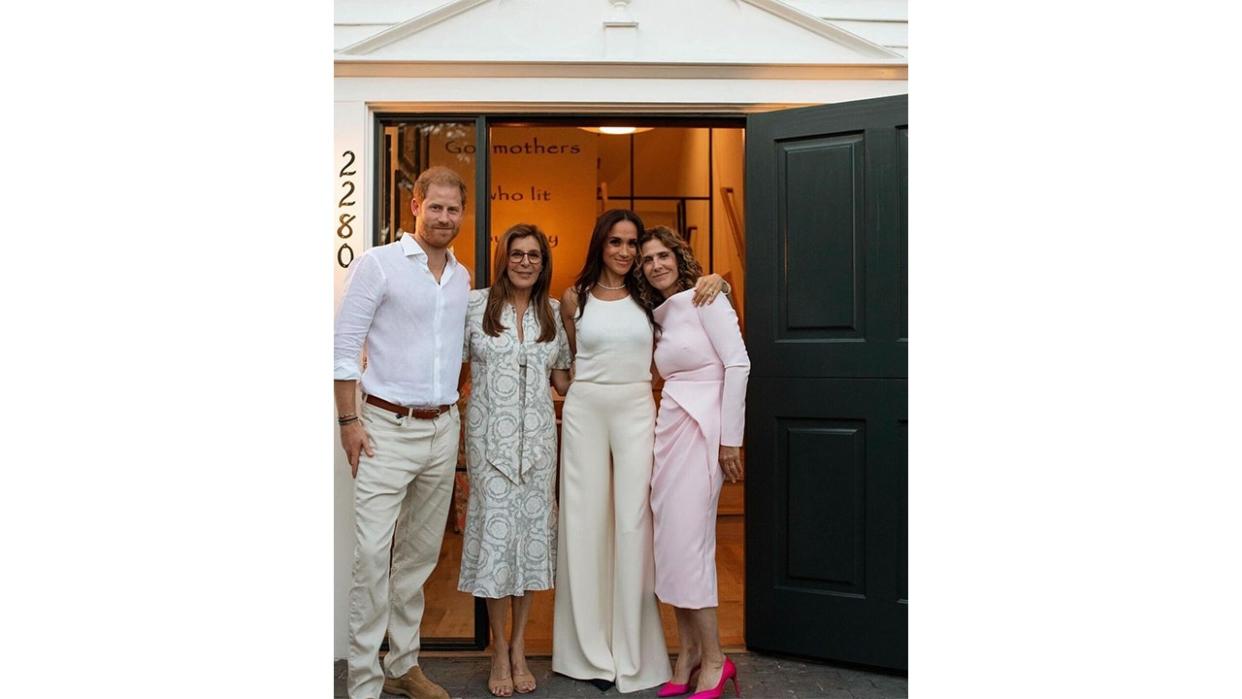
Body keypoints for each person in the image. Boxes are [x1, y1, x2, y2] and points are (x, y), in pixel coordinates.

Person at [552, 209, 727, 693]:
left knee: (634, 523)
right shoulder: (573, 298)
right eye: (616, 243)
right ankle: (586, 653)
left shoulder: (649, 297)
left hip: (635, 410)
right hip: (585, 409)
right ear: (600, 246)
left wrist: (718, 282)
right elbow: (565, 361)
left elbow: (693, 301)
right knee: (583, 524)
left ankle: (634, 650)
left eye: (633, 243)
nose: (627, 252)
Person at [334, 166, 470, 699]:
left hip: (442, 429)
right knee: (372, 559)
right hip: (384, 429)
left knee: (416, 559)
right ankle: (364, 684)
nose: (443, 217)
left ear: (463, 213)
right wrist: (349, 422)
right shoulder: (379, 264)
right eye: (434, 206)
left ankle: (403, 667)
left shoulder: (461, 277)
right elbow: (344, 349)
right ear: (415, 205)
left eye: (453, 209)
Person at [634, 226, 749, 699]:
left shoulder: (707, 298)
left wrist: (730, 439)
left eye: (664, 255)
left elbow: (738, 364)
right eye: (647, 259)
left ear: (680, 258)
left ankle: (717, 659)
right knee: (671, 546)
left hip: (705, 428)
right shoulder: (657, 314)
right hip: (670, 427)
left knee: (692, 543)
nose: (656, 264)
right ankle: (686, 653)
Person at [458, 224, 572, 697]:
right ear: (503, 258)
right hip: (490, 448)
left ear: (544, 263)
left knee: (528, 547)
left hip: (540, 448)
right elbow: (452, 370)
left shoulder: (552, 314)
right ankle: (498, 649)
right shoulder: (474, 306)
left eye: (535, 256)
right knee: (494, 545)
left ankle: (520, 646)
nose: (526, 262)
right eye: (517, 254)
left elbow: (565, 382)